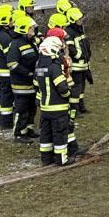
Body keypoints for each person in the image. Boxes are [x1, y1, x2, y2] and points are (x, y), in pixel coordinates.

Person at [34, 35, 73, 166]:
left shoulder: (38, 65)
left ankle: (46, 159)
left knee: (46, 134)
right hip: (58, 108)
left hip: (45, 108)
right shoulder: (54, 66)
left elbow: (36, 84)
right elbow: (62, 87)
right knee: (59, 134)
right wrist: (68, 95)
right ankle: (62, 159)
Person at [7, 15, 39, 144]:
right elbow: (12, 63)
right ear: (24, 29)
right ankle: (19, 134)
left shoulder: (30, 41)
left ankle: (29, 130)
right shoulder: (16, 44)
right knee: (21, 110)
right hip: (21, 84)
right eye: (31, 28)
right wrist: (27, 73)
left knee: (32, 108)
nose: (33, 29)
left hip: (31, 83)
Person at [0, 5, 15, 129]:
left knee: (1, 93)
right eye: (10, 19)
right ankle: (6, 122)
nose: (12, 21)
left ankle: (0, 118)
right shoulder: (5, 37)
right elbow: (9, 56)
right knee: (7, 95)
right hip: (6, 72)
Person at [65, 8, 92, 115]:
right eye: (79, 19)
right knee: (75, 89)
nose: (81, 21)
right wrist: (79, 56)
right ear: (73, 20)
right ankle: (74, 110)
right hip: (76, 66)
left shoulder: (79, 30)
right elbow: (70, 48)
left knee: (81, 88)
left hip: (83, 65)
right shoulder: (69, 32)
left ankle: (81, 106)